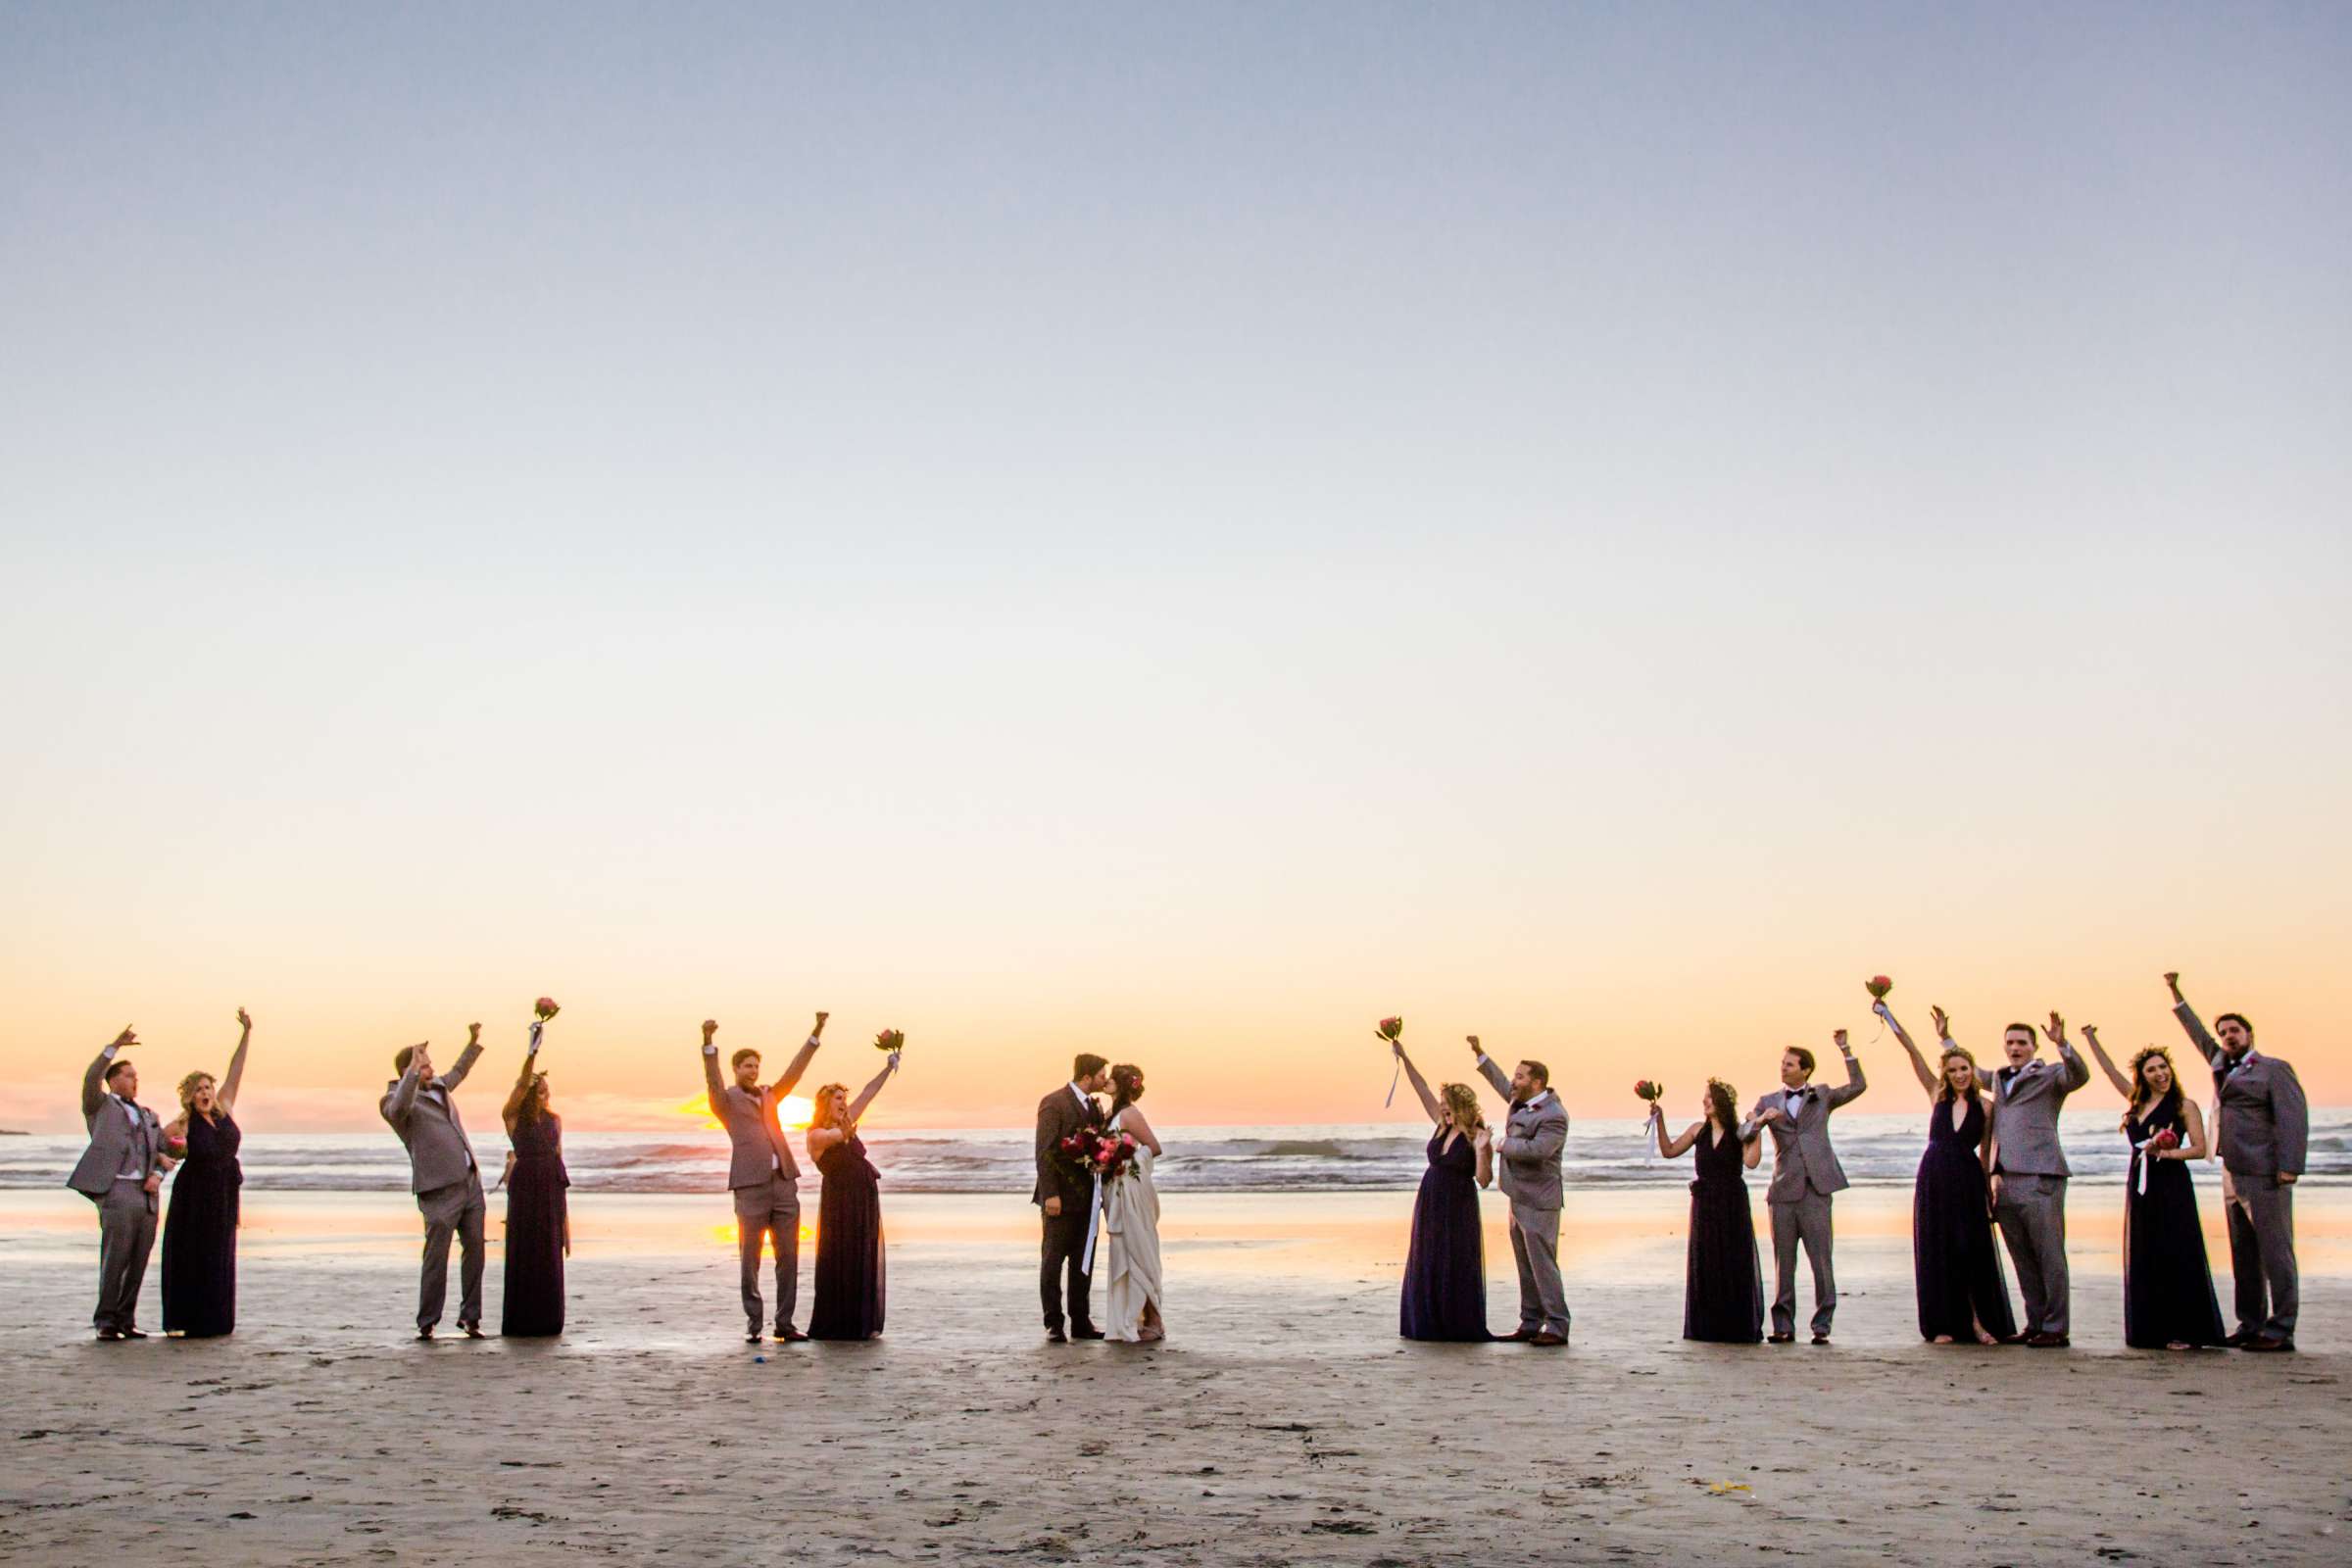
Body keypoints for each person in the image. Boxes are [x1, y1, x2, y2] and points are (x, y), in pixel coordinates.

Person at [2167, 972, 2307, 1352]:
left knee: (2276, 1253)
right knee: (2243, 1253)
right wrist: (2176, 993)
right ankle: (2250, 1323)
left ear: (2249, 1034)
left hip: (2265, 1172)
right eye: (2224, 1031)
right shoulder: (2220, 1063)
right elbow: (2196, 1034)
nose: (2228, 1036)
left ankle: (2281, 1329)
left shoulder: (2273, 1069)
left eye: (2235, 1030)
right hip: (2232, 1170)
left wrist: (2290, 1165)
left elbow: (2293, 1117)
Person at [2082, 1028, 2225, 1349]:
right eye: (2152, 1070)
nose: (2160, 1074)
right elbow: (2109, 1071)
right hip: (2140, 1186)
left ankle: (2182, 1330)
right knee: (2146, 1252)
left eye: (2164, 1067)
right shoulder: (2136, 1103)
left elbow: (2201, 1149)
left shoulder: (2184, 1105)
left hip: (2171, 1185)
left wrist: (2166, 1152)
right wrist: (2090, 1038)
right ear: (2143, 1077)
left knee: (2175, 1251)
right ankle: (2152, 1330)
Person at [1883, 1001, 2013, 1346]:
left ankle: (1977, 1323)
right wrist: (1887, 1013)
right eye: (1953, 1069)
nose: (1959, 1074)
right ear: (1945, 1073)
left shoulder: (1986, 1106)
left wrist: (1990, 1197)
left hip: (1967, 1181)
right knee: (1937, 1251)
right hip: (1934, 1179)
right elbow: (1911, 1050)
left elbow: (1986, 1155)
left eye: (1964, 1068)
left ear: (1972, 1070)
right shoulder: (1935, 1095)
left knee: (1968, 1251)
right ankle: (1943, 1324)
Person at [701, 1013, 826, 1344]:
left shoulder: (771, 1094)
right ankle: (754, 1323)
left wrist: (815, 1032)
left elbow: (794, 1073)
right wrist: (708, 1042)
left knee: (789, 1257)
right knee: (750, 1259)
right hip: (750, 1187)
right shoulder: (724, 1101)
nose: (753, 1071)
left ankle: (784, 1323)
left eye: (756, 1066)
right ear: (736, 1070)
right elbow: (712, 1079)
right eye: (747, 1067)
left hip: (783, 1183)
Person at [1970, 1011, 2089, 1348]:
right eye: (2010, 1042)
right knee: (2022, 1257)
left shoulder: (2050, 1075)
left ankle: (2056, 1327)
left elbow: (2079, 1075)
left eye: (2022, 1042)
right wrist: (1945, 1040)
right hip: (2003, 1178)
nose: (2015, 1047)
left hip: (2041, 1175)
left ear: (2034, 1047)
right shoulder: (1997, 1078)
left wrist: (2062, 1043)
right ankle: (2035, 1321)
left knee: (2049, 1255)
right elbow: (1967, 1072)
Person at [1744, 1032, 1866, 1344]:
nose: (1783, 1068)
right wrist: (1759, 1122)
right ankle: (1783, 1326)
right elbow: (1742, 1132)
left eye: (1789, 1064)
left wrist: (1846, 1050)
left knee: (1821, 1261)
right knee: (1784, 1262)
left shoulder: (1822, 1094)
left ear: (1805, 1069)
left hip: (1817, 1189)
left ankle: (1822, 1326)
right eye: (1782, 1064)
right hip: (1784, 1190)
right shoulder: (1768, 1101)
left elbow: (1857, 1086)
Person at [380, 1026, 488, 1340]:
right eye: (425, 1064)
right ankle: (427, 1321)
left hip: (470, 1183)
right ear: (409, 1070)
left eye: (428, 1064)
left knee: (476, 1251)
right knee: (436, 1257)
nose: (432, 1069)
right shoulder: (393, 1100)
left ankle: (471, 1318)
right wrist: (414, 1070)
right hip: (438, 1190)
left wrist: (472, 1044)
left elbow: (458, 1072)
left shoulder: (440, 1087)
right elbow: (400, 1106)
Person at [66, 1027, 172, 1341]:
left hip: (148, 1194)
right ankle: (106, 1321)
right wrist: (113, 1047)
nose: (134, 1080)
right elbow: (90, 1078)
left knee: (139, 1259)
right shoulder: (99, 1105)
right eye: (128, 1075)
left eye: (136, 1076)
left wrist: (159, 1174)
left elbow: (165, 1152)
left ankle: (127, 1319)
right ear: (113, 1080)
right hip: (118, 1189)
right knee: (116, 1258)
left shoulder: (149, 1114)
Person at [1471, 1036, 1571, 1346]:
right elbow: (1502, 1084)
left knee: (1543, 1266)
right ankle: (1530, 1322)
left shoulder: (1553, 1115)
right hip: (1517, 1197)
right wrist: (1480, 1055)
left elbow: (1540, 1150)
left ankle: (1557, 1326)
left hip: (1540, 1200)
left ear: (1537, 1082)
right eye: (1515, 1075)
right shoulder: (1521, 1102)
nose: (1513, 1082)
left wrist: (1502, 1144)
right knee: (1525, 1265)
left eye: (1520, 1076)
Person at [1391, 1039, 1492, 1342]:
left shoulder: (1477, 1134)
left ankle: (1455, 1323)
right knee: (1428, 1255)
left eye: (1448, 1108)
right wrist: (1404, 1056)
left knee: (1455, 1258)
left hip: (1458, 1202)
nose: (1443, 1111)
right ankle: (1426, 1322)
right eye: (1443, 1107)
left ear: (1461, 1108)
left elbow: (1484, 1180)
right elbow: (1420, 1088)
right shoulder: (1441, 1124)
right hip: (1431, 1198)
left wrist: (1484, 1151)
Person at [161, 1007, 253, 1338]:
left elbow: (237, 1069)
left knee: (221, 1251)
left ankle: (217, 1320)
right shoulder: (182, 1122)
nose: (205, 1093)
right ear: (188, 1096)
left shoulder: (224, 1107)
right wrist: (169, 1154)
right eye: (198, 1089)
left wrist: (246, 1032)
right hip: (195, 1194)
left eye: (207, 1087)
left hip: (225, 1190)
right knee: (193, 1252)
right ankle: (189, 1320)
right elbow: (163, 1146)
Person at [1650, 1078, 1763, 1344]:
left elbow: (1752, 1161)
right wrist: (1660, 1120)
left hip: (1732, 1201)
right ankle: (1709, 1324)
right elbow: (1669, 1151)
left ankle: (1734, 1324)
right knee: (1706, 1259)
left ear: (1722, 1101)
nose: (1704, 1101)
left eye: (1710, 1097)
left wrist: (1757, 1129)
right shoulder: (1697, 1130)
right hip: (1704, 1202)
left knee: (1733, 1259)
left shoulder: (1738, 1131)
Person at [805, 1046, 901, 1342]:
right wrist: (845, 1133)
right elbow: (834, 1137)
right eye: (838, 1099)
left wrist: (888, 1067)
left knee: (862, 1257)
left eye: (845, 1099)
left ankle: (860, 1322)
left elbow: (868, 1093)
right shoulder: (816, 1134)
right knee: (841, 1258)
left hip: (863, 1201)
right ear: (825, 1104)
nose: (844, 1103)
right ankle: (838, 1324)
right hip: (840, 1204)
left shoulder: (847, 1120)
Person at [1035, 1054, 1112, 1343]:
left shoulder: (1094, 1106)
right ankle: (1054, 1323)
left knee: (1083, 1262)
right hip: (1060, 1198)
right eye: (1102, 1075)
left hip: (1087, 1198)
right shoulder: (1054, 1102)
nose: (1105, 1080)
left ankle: (1081, 1322)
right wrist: (1050, 1194)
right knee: (1053, 1260)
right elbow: (1044, 1151)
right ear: (1088, 1075)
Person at [499, 1025, 570, 1338]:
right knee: (524, 1250)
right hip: (525, 1183)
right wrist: (532, 1052)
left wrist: (568, 1225)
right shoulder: (514, 1116)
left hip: (551, 1184)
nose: (546, 1096)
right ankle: (521, 1321)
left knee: (550, 1250)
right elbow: (518, 1086)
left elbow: (559, 1157)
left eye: (547, 1092)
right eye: (540, 1092)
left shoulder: (555, 1120)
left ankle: (549, 1321)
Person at [1100, 1063, 1166, 1345]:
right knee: (1123, 1252)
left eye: (1111, 1078)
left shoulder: (1129, 1113)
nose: (1107, 1081)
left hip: (1131, 1187)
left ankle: (1155, 1320)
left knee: (1137, 1250)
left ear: (1122, 1084)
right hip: (1115, 1188)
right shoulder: (1110, 1113)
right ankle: (1135, 1317)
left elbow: (1154, 1146)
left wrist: (1126, 1161)